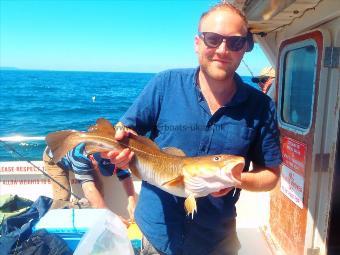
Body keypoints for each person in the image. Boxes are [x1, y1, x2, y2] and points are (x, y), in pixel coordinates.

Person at [104, 2, 282, 255]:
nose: (222, 49)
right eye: (213, 39)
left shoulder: (261, 107)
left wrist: (234, 180)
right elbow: (127, 129)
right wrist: (117, 148)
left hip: (215, 241)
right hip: (156, 234)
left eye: (234, 42)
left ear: (245, 49)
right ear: (198, 43)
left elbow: (270, 175)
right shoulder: (165, 83)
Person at [43, 143, 137, 221]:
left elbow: (125, 176)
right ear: (92, 158)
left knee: (98, 188)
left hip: (79, 157)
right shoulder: (79, 156)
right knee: (63, 196)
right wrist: (111, 218)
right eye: (102, 167)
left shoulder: (112, 155)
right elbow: (89, 189)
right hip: (54, 157)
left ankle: (96, 216)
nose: (105, 170)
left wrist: (132, 201)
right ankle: (55, 220)